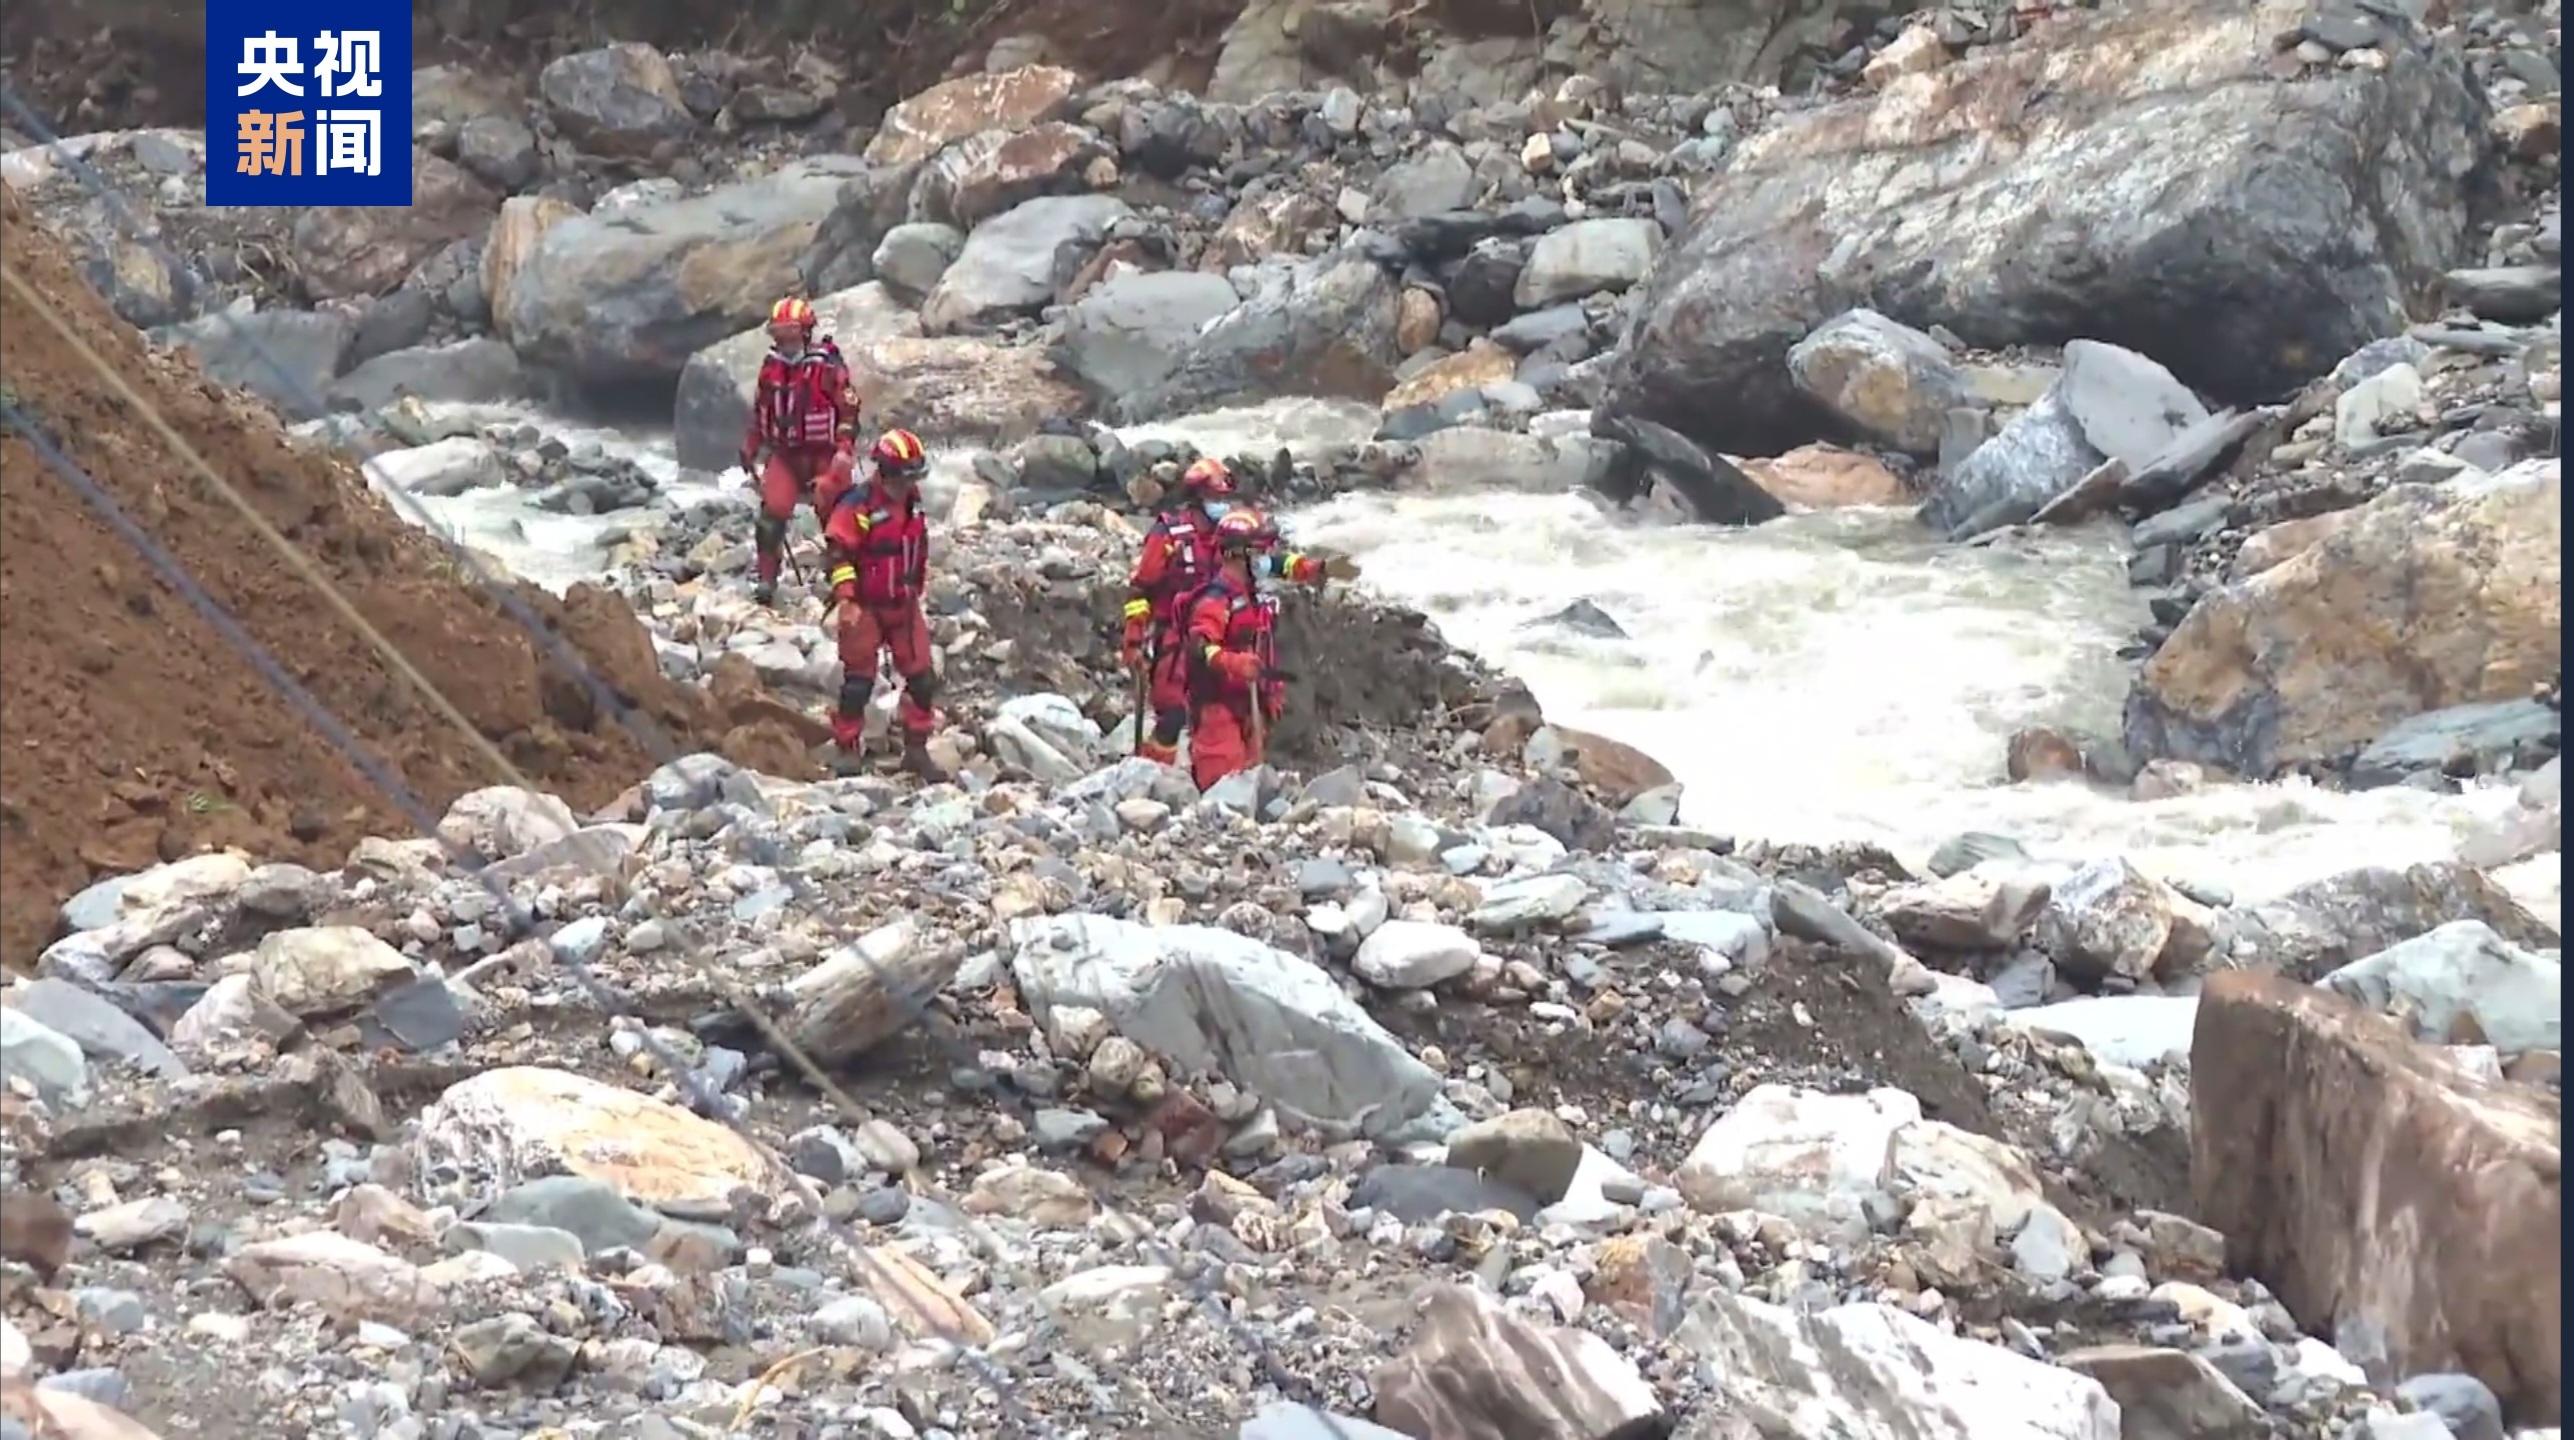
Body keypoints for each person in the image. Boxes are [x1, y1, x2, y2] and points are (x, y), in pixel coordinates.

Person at [1123, 459, 1329, 766]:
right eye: (1215, 498)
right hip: (1177, 641)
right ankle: (1152, 771)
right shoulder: (1170, 535)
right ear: (1197, 497)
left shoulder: (1230, 535)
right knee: (1173, 714)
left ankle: (1219, 772)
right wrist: (1134, 639)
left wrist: (1308, 568)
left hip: (1225, 637)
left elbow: (1268, 563)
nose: (1222, 504)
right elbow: (1141, 589)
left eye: (1224, 498)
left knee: (1230, 712)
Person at [821, 428, 942, 778]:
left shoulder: (913, 503)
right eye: (905, 476)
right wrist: (846, 600)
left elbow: (917, 548)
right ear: (887, 472)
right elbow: (838, 555)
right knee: (858, 682)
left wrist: (916, 587)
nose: (910, 484)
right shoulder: (857, 506)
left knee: (922, 679)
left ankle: (916, 749)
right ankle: (847, 748)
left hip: (903, 604)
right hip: (865, 605)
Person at [1179, 507, 1316, 791]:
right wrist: (1232, 662)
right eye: (1259, 552)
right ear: (1238, 554)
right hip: (1219, 708)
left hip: (1250, 704)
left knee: (1252, 785)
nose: (1265, 559)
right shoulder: (1216, 598)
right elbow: (1199, 646)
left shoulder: (1249, 594)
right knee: (1222, 787)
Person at [739, 296, 863, 607]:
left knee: (837, 518)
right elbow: (761, 412)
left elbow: (848, 413)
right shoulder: (771, 368)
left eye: (791, 335)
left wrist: (843, 453)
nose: (785, 343)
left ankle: (847, 582)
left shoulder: (828, 366)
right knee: (771, 516)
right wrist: (751, 447)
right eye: (779, 336)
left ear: (805, 333)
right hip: (786, 455)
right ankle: (767, 579)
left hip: (825, 454)